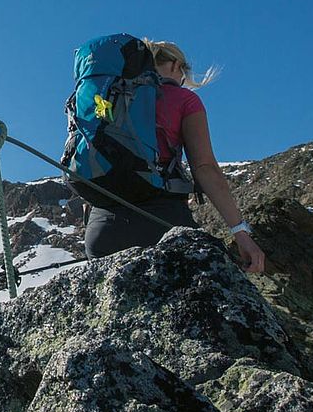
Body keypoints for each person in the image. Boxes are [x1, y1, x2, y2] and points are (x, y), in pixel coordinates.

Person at [82, 40, 267, 273]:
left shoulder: (110, 96)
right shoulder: (184, 99)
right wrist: (240, 232)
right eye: (184, 71)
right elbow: (205, 167)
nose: (183, 79)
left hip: (102, 230)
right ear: (175, 64)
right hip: (161, 221)